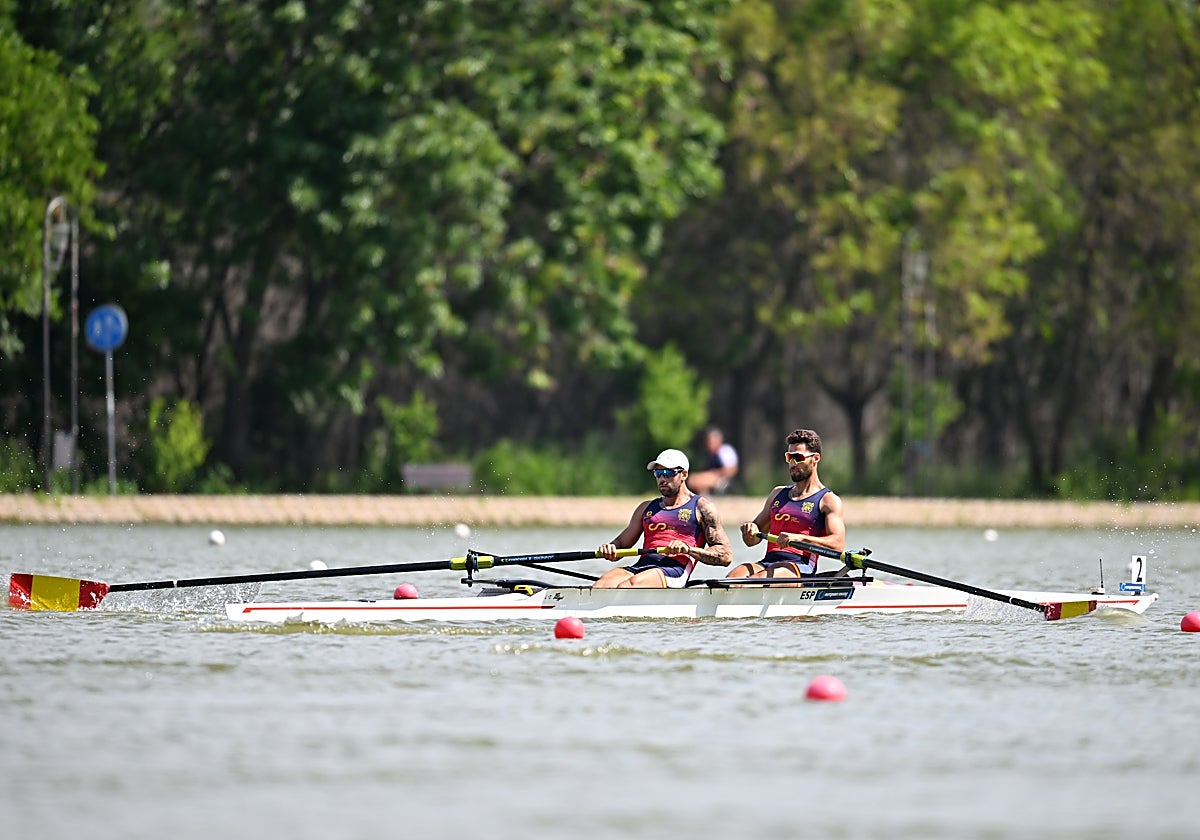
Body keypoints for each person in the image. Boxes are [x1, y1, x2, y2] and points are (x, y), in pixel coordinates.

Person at [596, 448, 734, 588]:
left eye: (668, 473)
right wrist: (611, 548)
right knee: (601, 584)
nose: (662, 478)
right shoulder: (645, 508)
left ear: (684, 474)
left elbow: (725, 556)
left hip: (674, 570)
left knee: (629, 585)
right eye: (658, 473)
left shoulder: (702, 508)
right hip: (641, 567)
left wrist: (688, 550)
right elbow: (621, 543)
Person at [734, 428, 845, 580]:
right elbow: (752, 541)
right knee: (733, 578)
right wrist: (749, 530)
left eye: (798, 457)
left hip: (800, 565)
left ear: (816, 458)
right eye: (789, 457)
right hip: (768, 562)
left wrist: (800, 538)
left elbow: (837, 544)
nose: (792, 463)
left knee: (757, 580)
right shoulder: (777, 494)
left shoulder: (828, 500)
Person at [687, 426, 739, 495]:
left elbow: (731, 470)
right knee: (692, 479)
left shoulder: (725, 451)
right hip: (713, 476)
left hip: (722, 479)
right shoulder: (710, 454)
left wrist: (714, 474)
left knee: (697, 480)